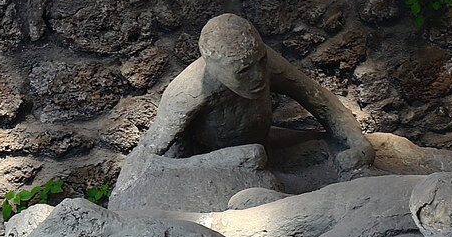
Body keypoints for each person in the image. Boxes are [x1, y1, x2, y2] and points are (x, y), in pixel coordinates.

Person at [137, 13, 375, 173]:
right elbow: (146, 161)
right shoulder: (185, 93)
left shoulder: (265, 61)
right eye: (243, 71)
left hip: (264, 146)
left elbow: (319, 99)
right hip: (208, 163)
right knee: (253, 157)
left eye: (260, 61)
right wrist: (223, 161)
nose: (259, 75)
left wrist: (358, 142)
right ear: (213, 66)